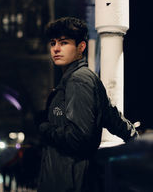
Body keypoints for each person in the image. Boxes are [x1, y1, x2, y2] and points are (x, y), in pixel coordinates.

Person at [37, 17, 138, 192]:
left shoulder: (78, 81)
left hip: (68, 182)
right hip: (71, 179)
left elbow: (78, 137)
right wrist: (136, 140)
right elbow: (113, 118)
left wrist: (45, 128)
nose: (56, 49)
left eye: (64, 42)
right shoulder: (81, 78)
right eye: (53, 43)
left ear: (81, 47)